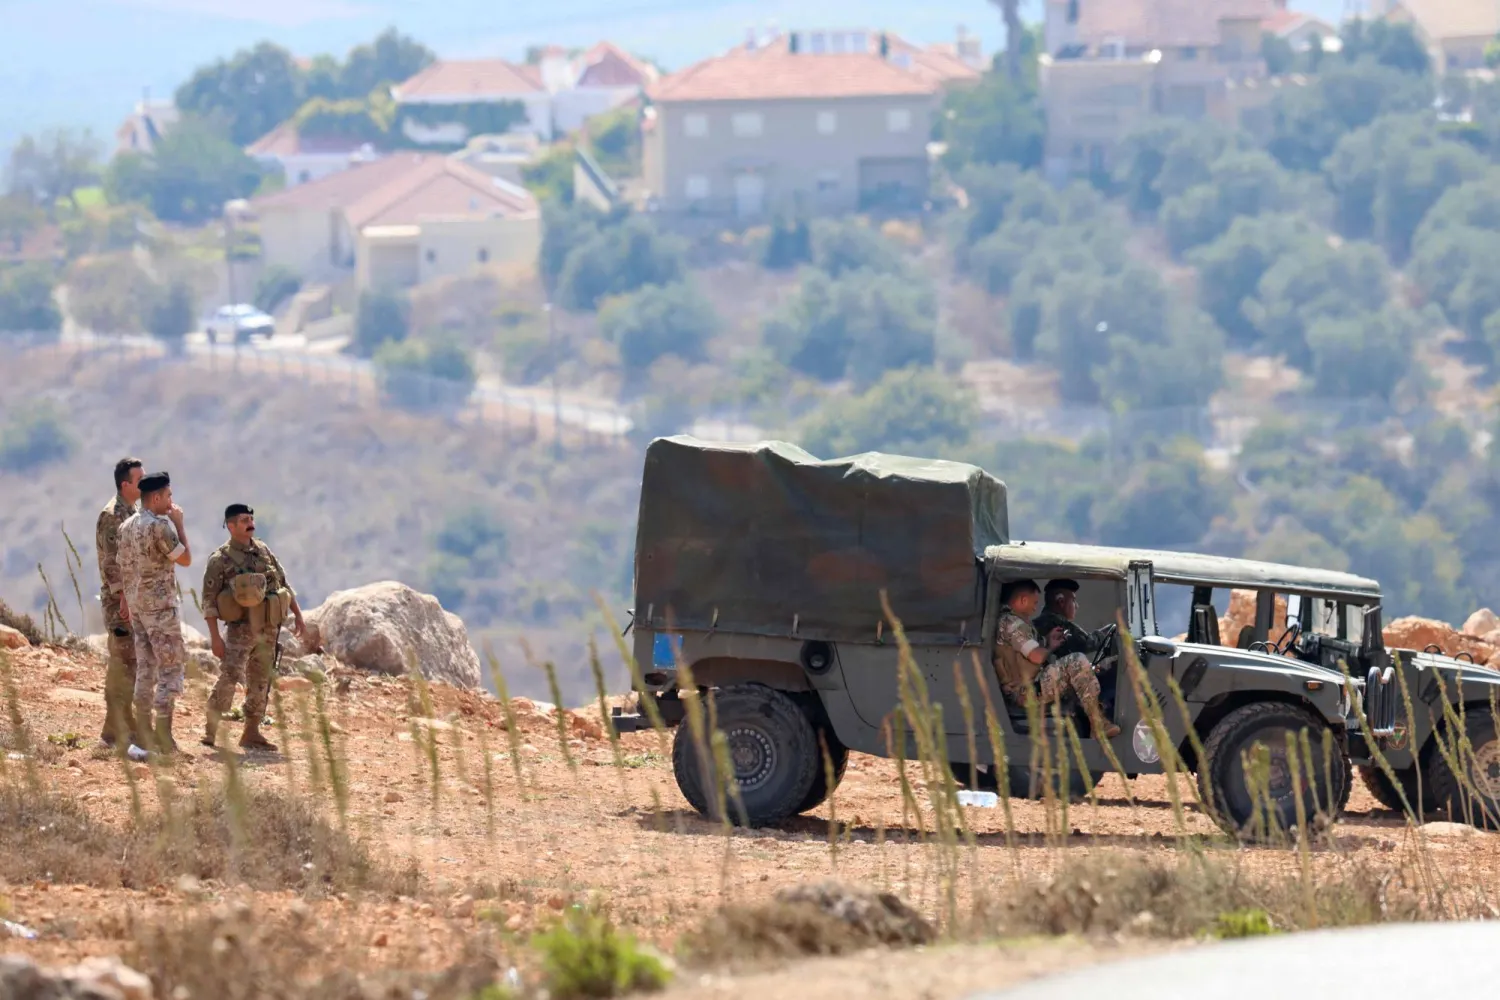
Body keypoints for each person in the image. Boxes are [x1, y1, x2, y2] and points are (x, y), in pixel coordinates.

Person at [199, 503, 304, 751]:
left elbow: (284, 584)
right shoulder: (220, 559)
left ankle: (252, 731)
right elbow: (209, 601)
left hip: (268, 627)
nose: (250, 523)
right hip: (240, 629)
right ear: (231, 526)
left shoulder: (263, 550)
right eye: (244, 519)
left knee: (260, 677)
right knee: (230, 675)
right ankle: (211, 729)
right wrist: (215, 638)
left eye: (251, 518)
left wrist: (298, 615)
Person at [116, 472, 192, 752]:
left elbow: (122, 567)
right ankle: (163, 735)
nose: (172, 502)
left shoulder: (126, 526)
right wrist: (179, 525)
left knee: (146, 668)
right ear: (156, 498)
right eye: (169, 496)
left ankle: (142, 733)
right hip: (160, 609)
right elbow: (184, 558)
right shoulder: (161, 527)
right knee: (170, 667)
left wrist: (127, 599)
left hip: (138, 607)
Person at [992, 578, 1121, 739]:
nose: (1035, 608)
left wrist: (1049, 642)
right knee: (1076, 661)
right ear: (1023, 600)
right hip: (1024, 692)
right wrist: (1048, 647)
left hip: (1029, 686)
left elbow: (1032, 652)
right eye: (1034, 602)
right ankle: (1098, 723)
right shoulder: (1010, 623)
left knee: (1084, 669)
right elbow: (1037, 656)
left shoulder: (1015, 622)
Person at [95, 456, 143, 748]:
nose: (145, 483)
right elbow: (111, 562)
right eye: (140, 479)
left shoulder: (133, 511)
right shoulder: (113, 515)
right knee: (122, 661)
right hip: (119, 601)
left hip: (133, 599)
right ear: (126, 484)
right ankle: (114, 732)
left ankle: (116, 729)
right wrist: (123, 596)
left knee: (130, 662)